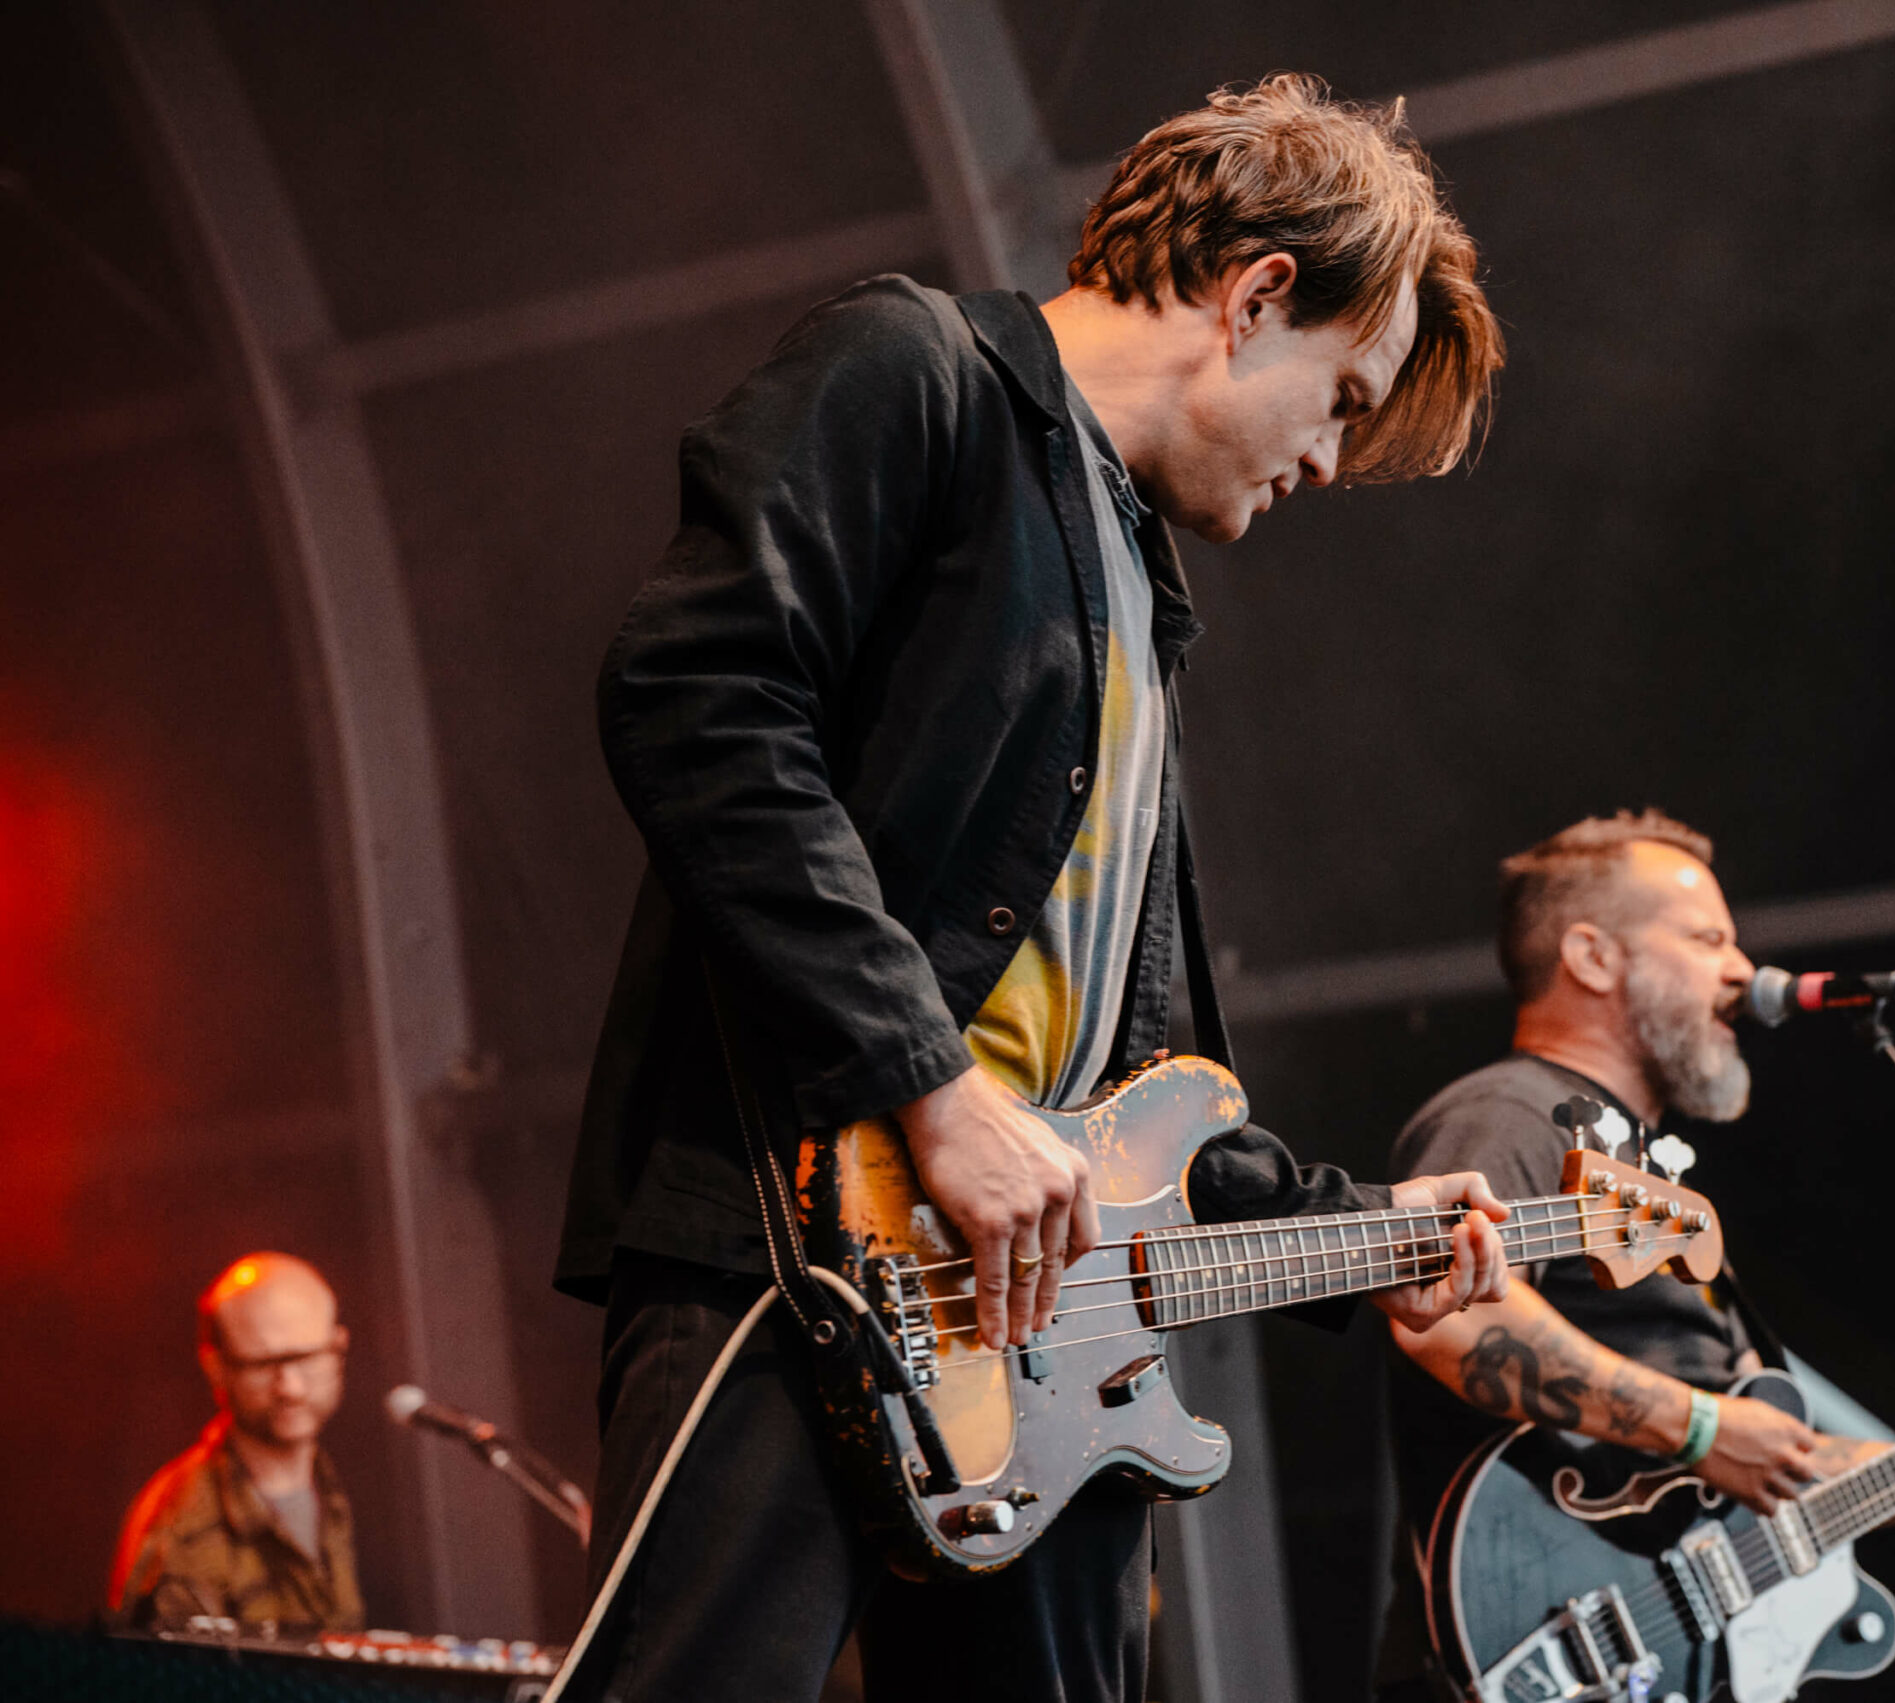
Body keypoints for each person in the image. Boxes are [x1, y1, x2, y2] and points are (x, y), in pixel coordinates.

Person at [551, 75, 1511, 1703]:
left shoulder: (1142, 582)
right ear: (1256, 291)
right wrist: (927, 1081)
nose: (1335, 459)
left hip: (1031, 1350)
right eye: (1343, 396)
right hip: (798, 1251)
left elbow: (1134, 1086)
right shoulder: (916, 368)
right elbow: (697, 692)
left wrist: (1365, 1226)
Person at [1375, 810, 1895, 1701]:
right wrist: (1704, 1427)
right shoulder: (1514, 1112)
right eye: (1706, 937)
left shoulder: (1647, 1182)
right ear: (1594, 957)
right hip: (1536, 1649)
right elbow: (1451, 1314)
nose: (1742, 969)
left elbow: (1774, 1465)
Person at [107, 1253, 362, 1634]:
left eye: (307, 1357)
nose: (290, 1388)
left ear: (338, 1348)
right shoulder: (181, 1525)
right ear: (217, 1368)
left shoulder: (329, 1484)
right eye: (262, 1364)